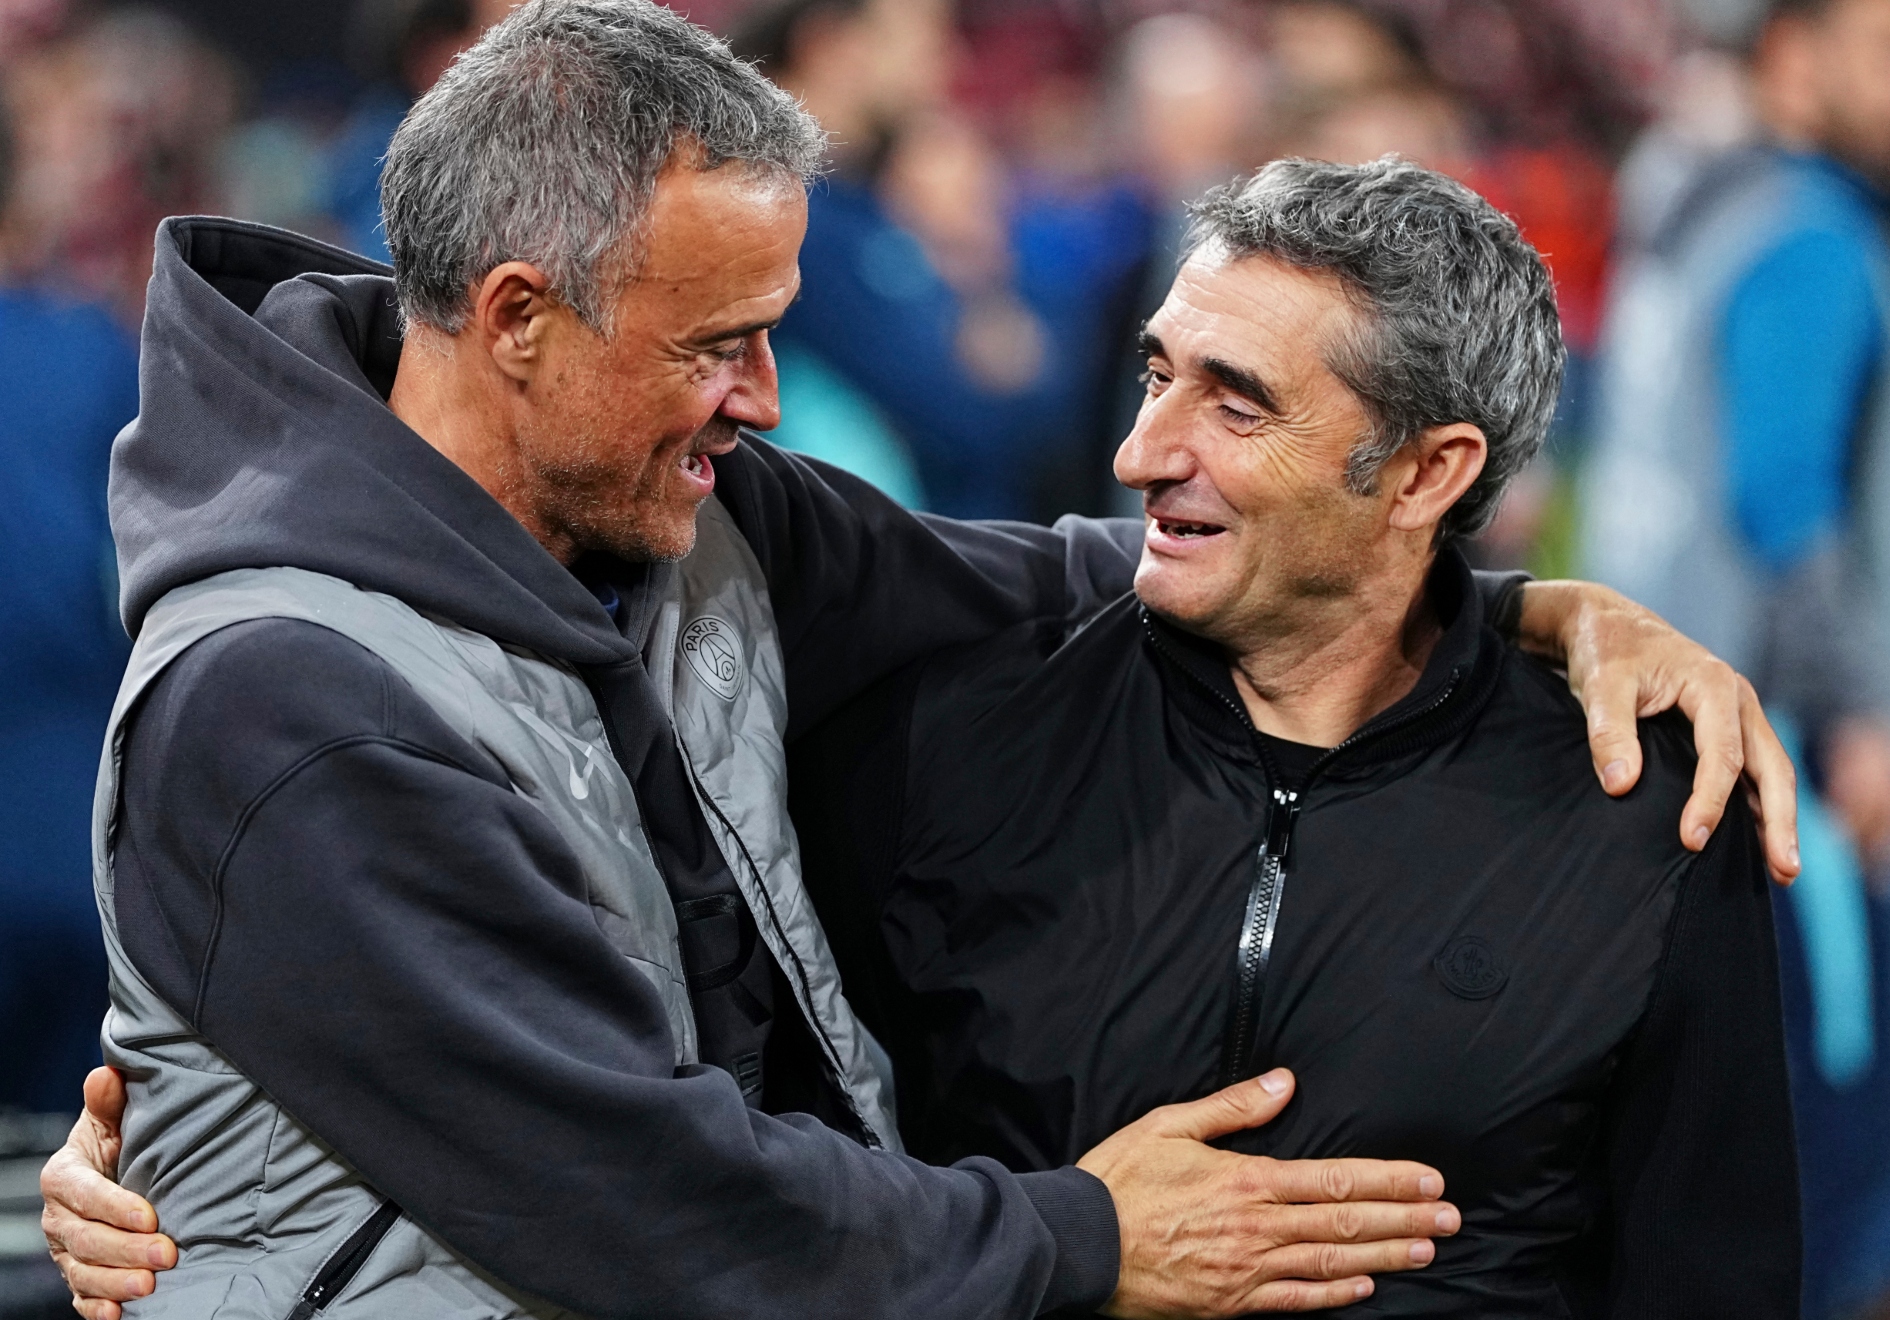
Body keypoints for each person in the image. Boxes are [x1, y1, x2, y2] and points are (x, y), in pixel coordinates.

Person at [39, 4, 1800, 1318]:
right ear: (518, 319)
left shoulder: (685, 510)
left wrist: (1505, 616)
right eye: (716, 346)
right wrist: (1088, 1238)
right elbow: (643, 1196)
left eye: (1235, 398)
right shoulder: (292, 708)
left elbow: (1111, 570)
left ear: (1430, 477)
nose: (764, 401)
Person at [788, 157, 1801, 1315]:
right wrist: (1062, 1243)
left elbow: (1717, 1278)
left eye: (1236, 403)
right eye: (1155, 376)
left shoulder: (1651, 804)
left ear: (1427, 473)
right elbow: (807, 1202)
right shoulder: (948, 734)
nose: (1143, 453)